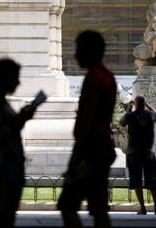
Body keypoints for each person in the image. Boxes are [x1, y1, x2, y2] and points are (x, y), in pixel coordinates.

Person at [57, 30, 117, 228]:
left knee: (67, 204)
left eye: (79, 50)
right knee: (99, 208)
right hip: (102, 148)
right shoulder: (107, 76)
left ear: (90, 52)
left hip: (91, 150)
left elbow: (86, 120)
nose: (75, 55)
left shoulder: (93, 78)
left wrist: (76, 158)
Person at [0, 59, 35, 228]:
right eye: (15, 77)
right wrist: (22, 119)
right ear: (4, 79)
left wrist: (20, 119)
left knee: (3, 214)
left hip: (8, 164)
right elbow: (0, 134)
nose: (18, 82)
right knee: (3, 215)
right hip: (7, 164)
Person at [119, 95, 156, 215]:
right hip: (148, 153)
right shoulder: (150, 115)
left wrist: (130, 108)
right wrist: (147, 106)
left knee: (136, 181)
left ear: (135, 104)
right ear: (144, 104)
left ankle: (143, 208)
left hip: (134, 154)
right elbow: (155, 112)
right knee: (152, 181)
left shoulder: (130, 115)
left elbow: (121, 123)